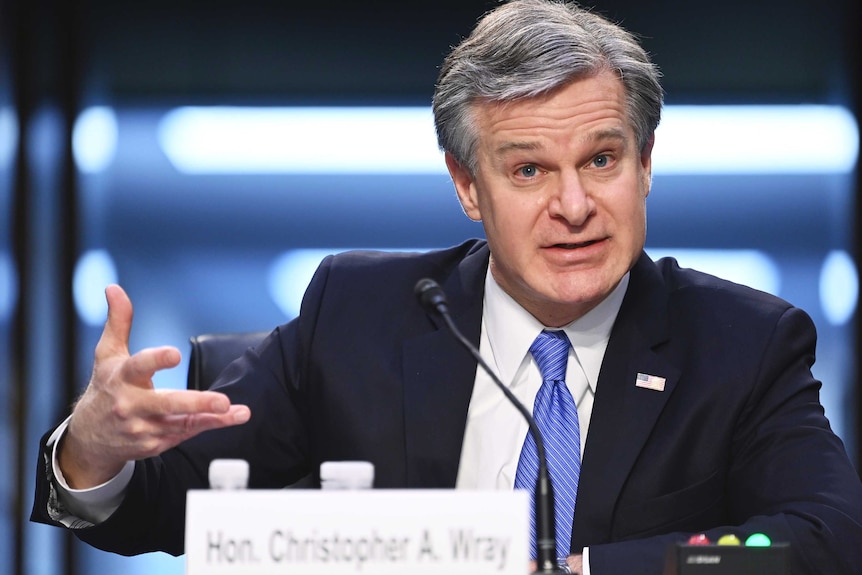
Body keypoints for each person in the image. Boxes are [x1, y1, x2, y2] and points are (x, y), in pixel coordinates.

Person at [31, 0, 862, 573]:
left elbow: (821, 542)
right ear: (469, 187)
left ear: (645, 165)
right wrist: (93, 448)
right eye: (529, 168)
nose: (574, 206)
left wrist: (573, 569)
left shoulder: (743, 344)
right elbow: (164, 507)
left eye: (601, 160)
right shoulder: (356, 316)